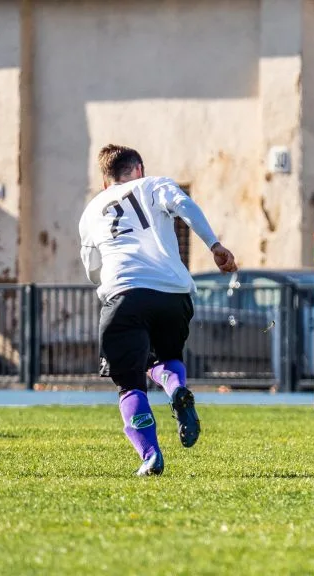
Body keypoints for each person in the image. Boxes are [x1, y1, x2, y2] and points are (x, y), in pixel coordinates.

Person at [79, 144, 238, 476]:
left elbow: (92, 266)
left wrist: (109, 282)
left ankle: (150, 454)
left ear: (106, 181)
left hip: (123, 295)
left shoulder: (92, 209)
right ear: (139, 168)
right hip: (173, 293)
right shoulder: (154, 184)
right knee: (165, 357)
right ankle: (176, 388)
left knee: (130, 384)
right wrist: (214, 245)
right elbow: (184, 205)